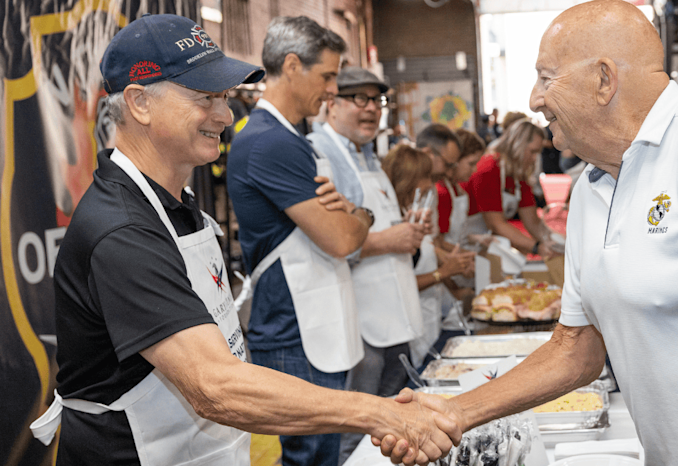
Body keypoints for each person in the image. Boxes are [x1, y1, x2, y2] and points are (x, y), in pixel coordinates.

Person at [378, 1, 678, 464]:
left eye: (545, 77)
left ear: (604, 79)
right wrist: (452, 414)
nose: (534, 98)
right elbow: (577, 348)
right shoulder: (592, 186)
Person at [30, 14, 458, 466]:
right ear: (139, 102)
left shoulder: (176, 201)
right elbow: (213, 385)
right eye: (204, 97)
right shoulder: (122, 230)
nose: (225, 114)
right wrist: (378, 413)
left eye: (224, 96)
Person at [226, 18, 453, 466]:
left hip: (317, 322)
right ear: (292, 66)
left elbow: (345, 226)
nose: (332, 89)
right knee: (313, 455)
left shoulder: (291, 141)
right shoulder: (270, 142)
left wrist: (350, 214)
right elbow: (341, 239)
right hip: (295, 328)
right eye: (327, 76)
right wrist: (359, 213)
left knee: (330, 451)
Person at [304, 66, 428, 465]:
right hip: (359, 323)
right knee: (354, 432)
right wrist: (390, 240)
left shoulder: (369, 156)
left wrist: (408, 234)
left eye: (377, 101)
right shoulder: (320, 155)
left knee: (388, 428)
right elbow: (328, 242)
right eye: (359, 99)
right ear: (331, 103)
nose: (371, 109)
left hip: (393, 314)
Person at [381, 145, 474, 368]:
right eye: (423, 185)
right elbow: (396, 283)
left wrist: (448, 260)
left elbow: (428, 250)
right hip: (403, 330)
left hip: (428, 324)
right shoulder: (390, 227)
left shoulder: (412, 215)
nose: (428, 187)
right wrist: (443, 272)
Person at [464, 118, 558, 258]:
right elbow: (496, 224)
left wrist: (555, 242)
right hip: (466, 242)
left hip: (486, 244)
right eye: (532, 152)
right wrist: (536, 247)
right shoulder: (489, 169)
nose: (534, 159)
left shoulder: (518, 176)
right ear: (518, 145)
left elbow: (532, 221)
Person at [435, 129, 486, 251]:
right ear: (455, 160)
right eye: (471, 163)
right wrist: (465, 255)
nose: (474, 170)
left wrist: (476, 238)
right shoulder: (441, 192)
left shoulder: (457, 189)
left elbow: (455, 234)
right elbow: (438, 243)